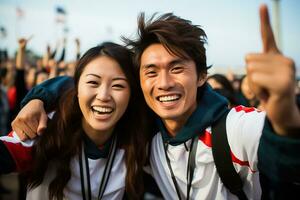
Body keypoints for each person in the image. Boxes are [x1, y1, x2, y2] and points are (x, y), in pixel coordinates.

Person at [12, 4, 300, 200]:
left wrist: (285, 123)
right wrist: (41, 95)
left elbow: (283, 158)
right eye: (151, 71)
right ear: (140, 82)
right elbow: (93, 85)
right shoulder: (145, 133)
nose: (163, 83)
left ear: (202, 76)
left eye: (177, 68)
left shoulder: (233, 130)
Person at [1, 42, 149, 199]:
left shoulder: (140, 138)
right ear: (77, 89)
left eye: (118, 85)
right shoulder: (47, 128)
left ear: (132, 94)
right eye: (93, 82)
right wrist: (41, 96)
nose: (104, 96)